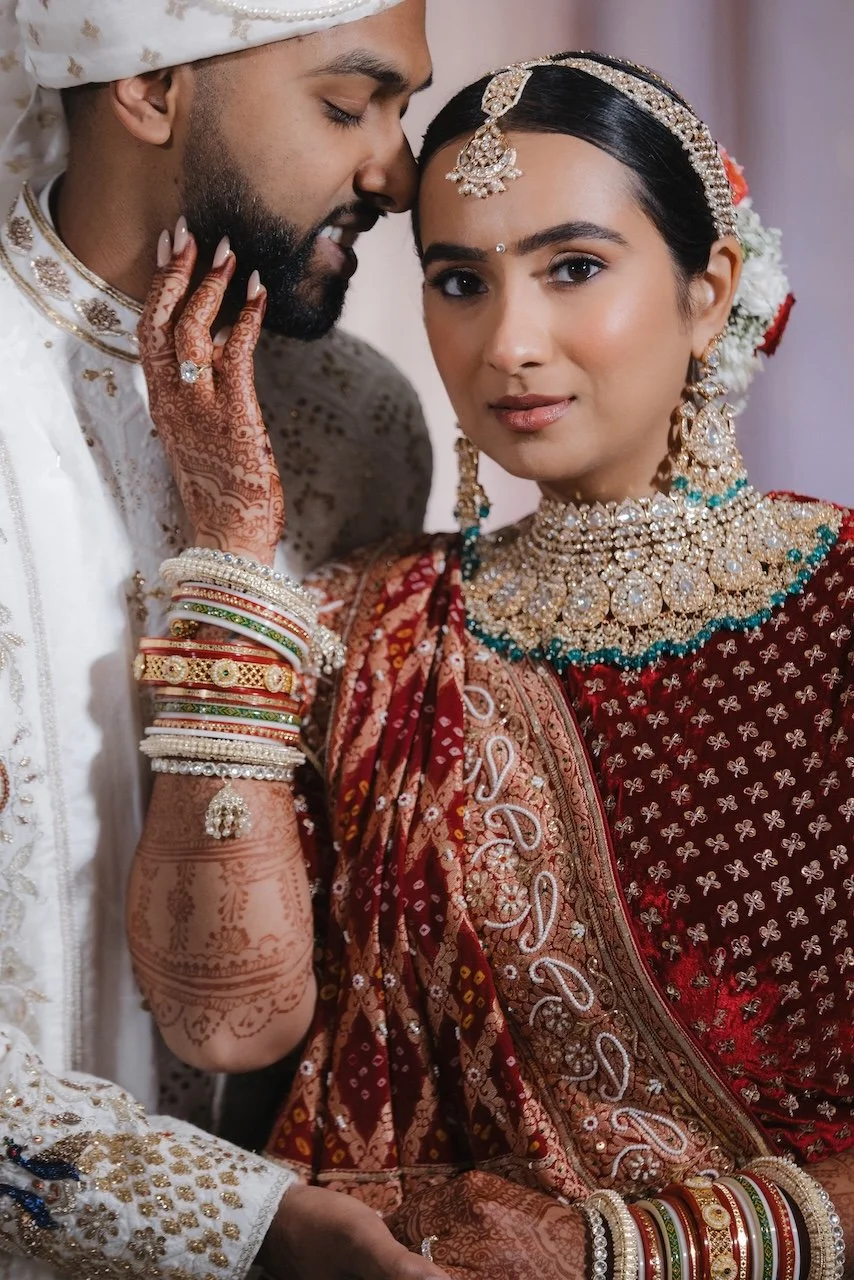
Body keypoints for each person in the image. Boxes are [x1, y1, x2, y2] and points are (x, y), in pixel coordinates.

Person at [129, 51, 854, 1280]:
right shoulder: (367, 621)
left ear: (704, 287)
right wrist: (233, 551)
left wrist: (614, 1241)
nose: (509, 340)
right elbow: (228, 1021)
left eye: (572, 267)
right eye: (459, 280)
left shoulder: (837, 608)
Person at [0, 0, 451, 1276]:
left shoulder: (356, 423)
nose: (397, 174)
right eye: (345, 104)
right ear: (147, 89)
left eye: (403, 109)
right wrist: (233, 1221)